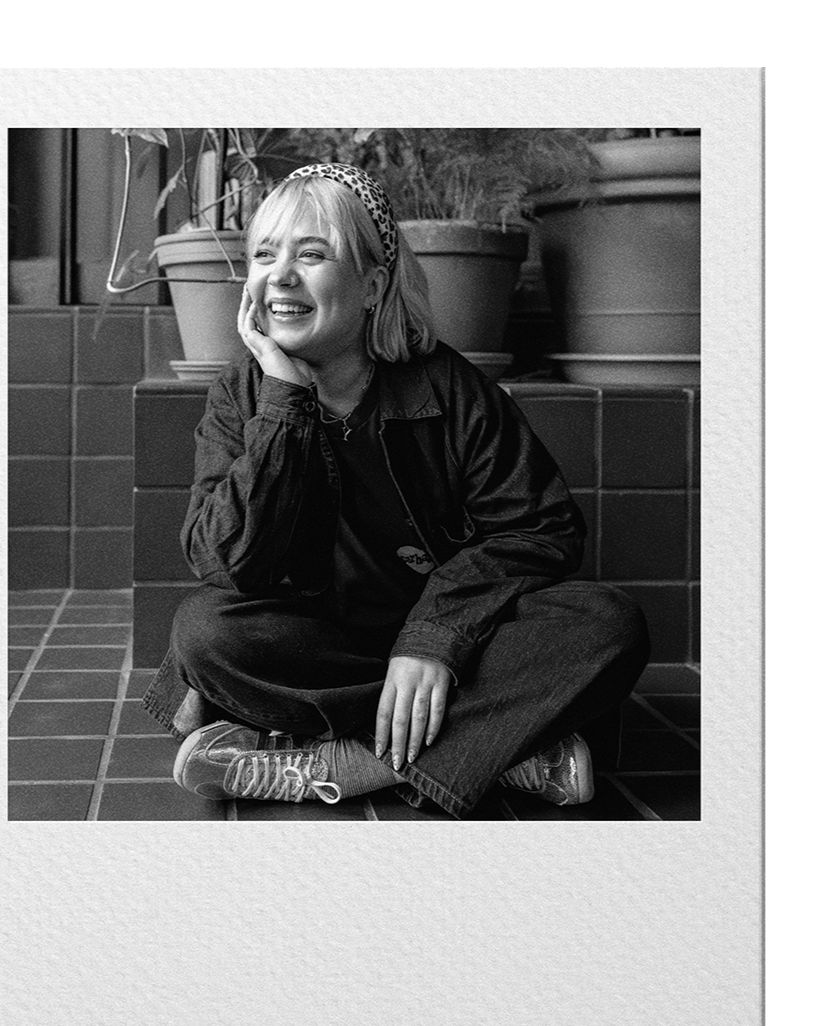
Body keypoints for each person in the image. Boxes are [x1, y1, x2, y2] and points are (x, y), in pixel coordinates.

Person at [142, 163, 650, 819]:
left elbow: (541, 528)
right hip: (325, 647)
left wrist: (434, 637)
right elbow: (225, 561)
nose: (280, 276)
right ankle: (501, 748)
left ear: (372, 283)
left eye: (312, 254)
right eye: (264, 255)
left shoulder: (450, 389)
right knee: (205, 633)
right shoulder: (241, 394)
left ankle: (341, 765)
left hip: (461, 644)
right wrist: (282, 403)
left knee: (608, 623)